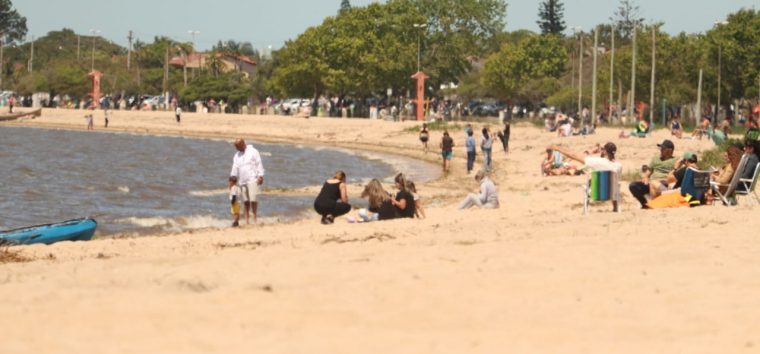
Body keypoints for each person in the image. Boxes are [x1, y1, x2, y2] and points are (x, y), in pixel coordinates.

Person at [549, 142, 622, 212]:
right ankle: (615, 208)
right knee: (613, 184)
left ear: (605, 152)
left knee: (590, 182)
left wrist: (557, 148)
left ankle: (585, 209)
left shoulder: (597, 161)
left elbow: (574, 156)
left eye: (603, 149)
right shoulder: (619, 166)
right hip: (612, 193)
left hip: (596, 193)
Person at [629, 139, 679, 208]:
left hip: (664, 183)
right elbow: (648, 172)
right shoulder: (655, 159)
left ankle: (653, 203)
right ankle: (645, 204)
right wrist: (645, 177)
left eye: (663, 148)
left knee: (656, 184)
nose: (660, 150)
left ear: (669, 150)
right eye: (661, 148)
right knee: (633, 186)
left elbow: (676, 176)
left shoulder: (676, 160)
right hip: (651, 182)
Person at [230, 138, 265, 224]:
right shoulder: (236, 155)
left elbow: (258, 163)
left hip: (253, 178)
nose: (236, 149)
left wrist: (260, 175)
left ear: (242, 144)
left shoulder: (253, 151)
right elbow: (235, 168)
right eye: (236, 147)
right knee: (246, 201)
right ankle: (247, 220)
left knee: (253, 199)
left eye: (237, 146)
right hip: (242, 180)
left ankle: (255, 219)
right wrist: (232, 180)